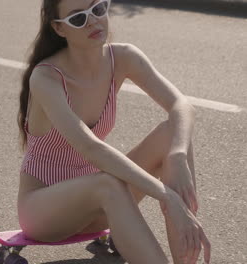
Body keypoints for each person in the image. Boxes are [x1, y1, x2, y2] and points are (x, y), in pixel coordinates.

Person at [16, 0, 211, 263]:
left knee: (172, 135)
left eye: (98, 9)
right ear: (59, 28)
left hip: (100, 206)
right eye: (78, 18)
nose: (94, 21)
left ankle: (186, 261)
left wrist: (176, 156)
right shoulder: (46, 78)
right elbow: (90, 147)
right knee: (107, 182)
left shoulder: (123, 58)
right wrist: (166, 194)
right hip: (45, 213)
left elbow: (181, 105)